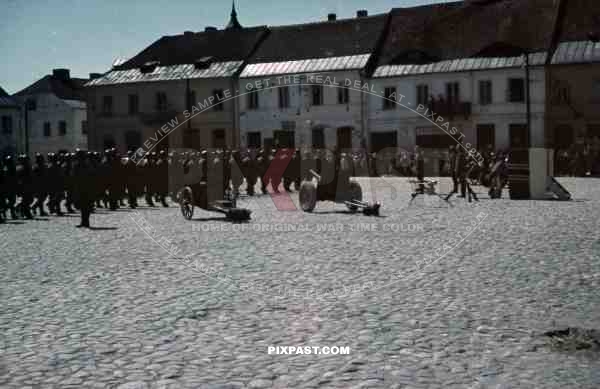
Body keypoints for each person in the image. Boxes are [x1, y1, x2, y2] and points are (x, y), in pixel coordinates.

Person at [73, 149, 94, 228]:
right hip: (82, 188)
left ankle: (85, 222)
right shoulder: (80, 165)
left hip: (84, 188)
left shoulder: (84, 165)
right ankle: (84, 221)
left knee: (85, 206)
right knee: (84, 206)